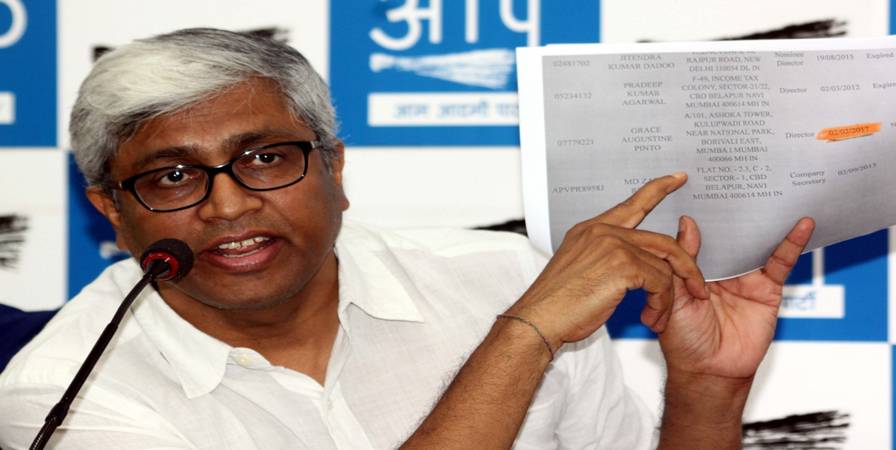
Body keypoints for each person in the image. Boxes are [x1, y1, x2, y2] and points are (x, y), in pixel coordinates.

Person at [0, 28, 813, 449]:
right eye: (174, 176)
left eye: (266, 158)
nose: (228, 205)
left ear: (335, 168)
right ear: (112, 211)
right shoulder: (62, 394)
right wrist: (521, 337)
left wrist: (708, 388)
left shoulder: (502, 273)